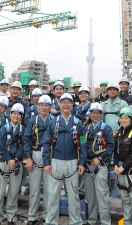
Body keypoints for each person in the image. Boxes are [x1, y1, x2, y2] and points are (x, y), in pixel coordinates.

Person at [43, 93, 87, 225]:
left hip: (72, 163)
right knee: (53, 195)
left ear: (72, 105)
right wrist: (46, 162)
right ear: (60, 105)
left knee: (73, 195)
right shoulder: (53, 122)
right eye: (63, 102)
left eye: (69, 102)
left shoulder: (78, 123)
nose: (66, 105)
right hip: (55, 162)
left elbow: (83, 143)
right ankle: (51, 221)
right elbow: (46, 143)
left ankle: (75, 222)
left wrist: (82, 163)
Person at [0, 103, 26, 225]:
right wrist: (8, 160)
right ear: (10, 114)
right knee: (0, 192)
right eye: (14, 113)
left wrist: (15, 159)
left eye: (19, 114)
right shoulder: (3, 129)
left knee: (13, 192)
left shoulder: (23, 130)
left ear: (21, 116)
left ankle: (11, 216)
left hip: (16, 164)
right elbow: (0, 147)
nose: (16, 116)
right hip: (3, 162)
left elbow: (24, 146)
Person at [23, 95, 53, 225]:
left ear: (50, 107)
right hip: (35, 154)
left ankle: (47, 216)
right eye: (42, 105)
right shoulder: (32, 121)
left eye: (47, 105)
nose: (44, 107)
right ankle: (32, 217)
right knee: (34, 189)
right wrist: (28, 158)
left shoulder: (54, 120)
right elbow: (26, 139)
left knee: (48, 189)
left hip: (50, 156)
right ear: (38, 106)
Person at [83, 102, 114, 225]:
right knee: (90, 196)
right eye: (93, 112)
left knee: (102, 196)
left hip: (100, 165)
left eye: (98, 113)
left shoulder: (106, 128)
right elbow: (82, 146)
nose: (95, 115)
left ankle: (106, 222)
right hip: (88, 166)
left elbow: (111, 145)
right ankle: (92, 221)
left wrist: (100, 158)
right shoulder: (86, 128)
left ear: (101, 114)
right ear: (90, 113)